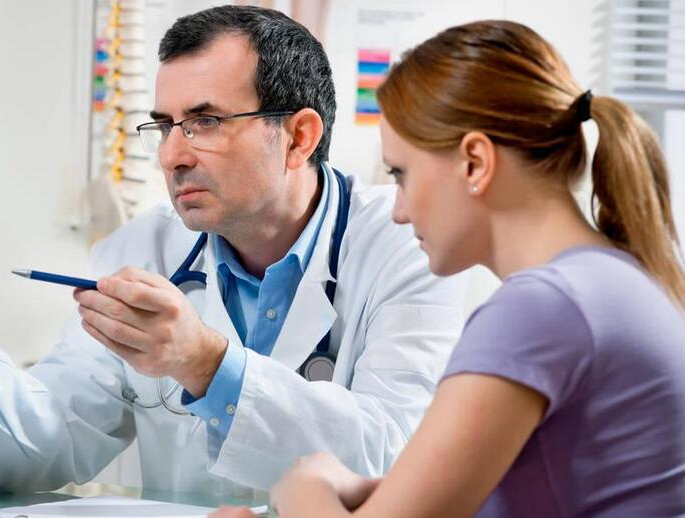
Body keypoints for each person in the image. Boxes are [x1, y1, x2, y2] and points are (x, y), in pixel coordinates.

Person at [0, 5, 467, 496]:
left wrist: (205, 363)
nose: (172, 156)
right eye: (165, 126)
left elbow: (397, 458)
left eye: (204, 123)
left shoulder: (409, 245)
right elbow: (46, 444)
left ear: (299, 138)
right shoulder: (141, 250)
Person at [213, 19, 685, 517]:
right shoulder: (612, 282)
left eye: (402, 174)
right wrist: (364, 491)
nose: (399, 210)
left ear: (475, 162)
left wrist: (305, 487)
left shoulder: (539, 311)